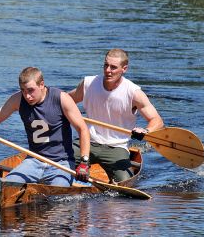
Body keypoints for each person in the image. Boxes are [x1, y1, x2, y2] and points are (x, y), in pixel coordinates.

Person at [0, 67, 91, 186]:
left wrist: (84, 163)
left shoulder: (61, 98)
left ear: (42, 85)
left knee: (57, 197)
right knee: (8, 185)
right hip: (33, 160)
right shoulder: (17, 99)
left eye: (31, 90)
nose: (27, 96)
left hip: (61, 164)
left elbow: (82, 129)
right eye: (23, 90)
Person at [68, 48, 164, 183]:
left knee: (125, 184)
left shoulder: (134, 93)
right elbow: (66, 100)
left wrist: (145, 130)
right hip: (86, 142)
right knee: (55, 165)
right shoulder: (89, 84)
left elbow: (157, 120)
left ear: (124, 69)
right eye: (106, 65)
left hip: (116, 147)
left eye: (113, 67)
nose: (108, 70)